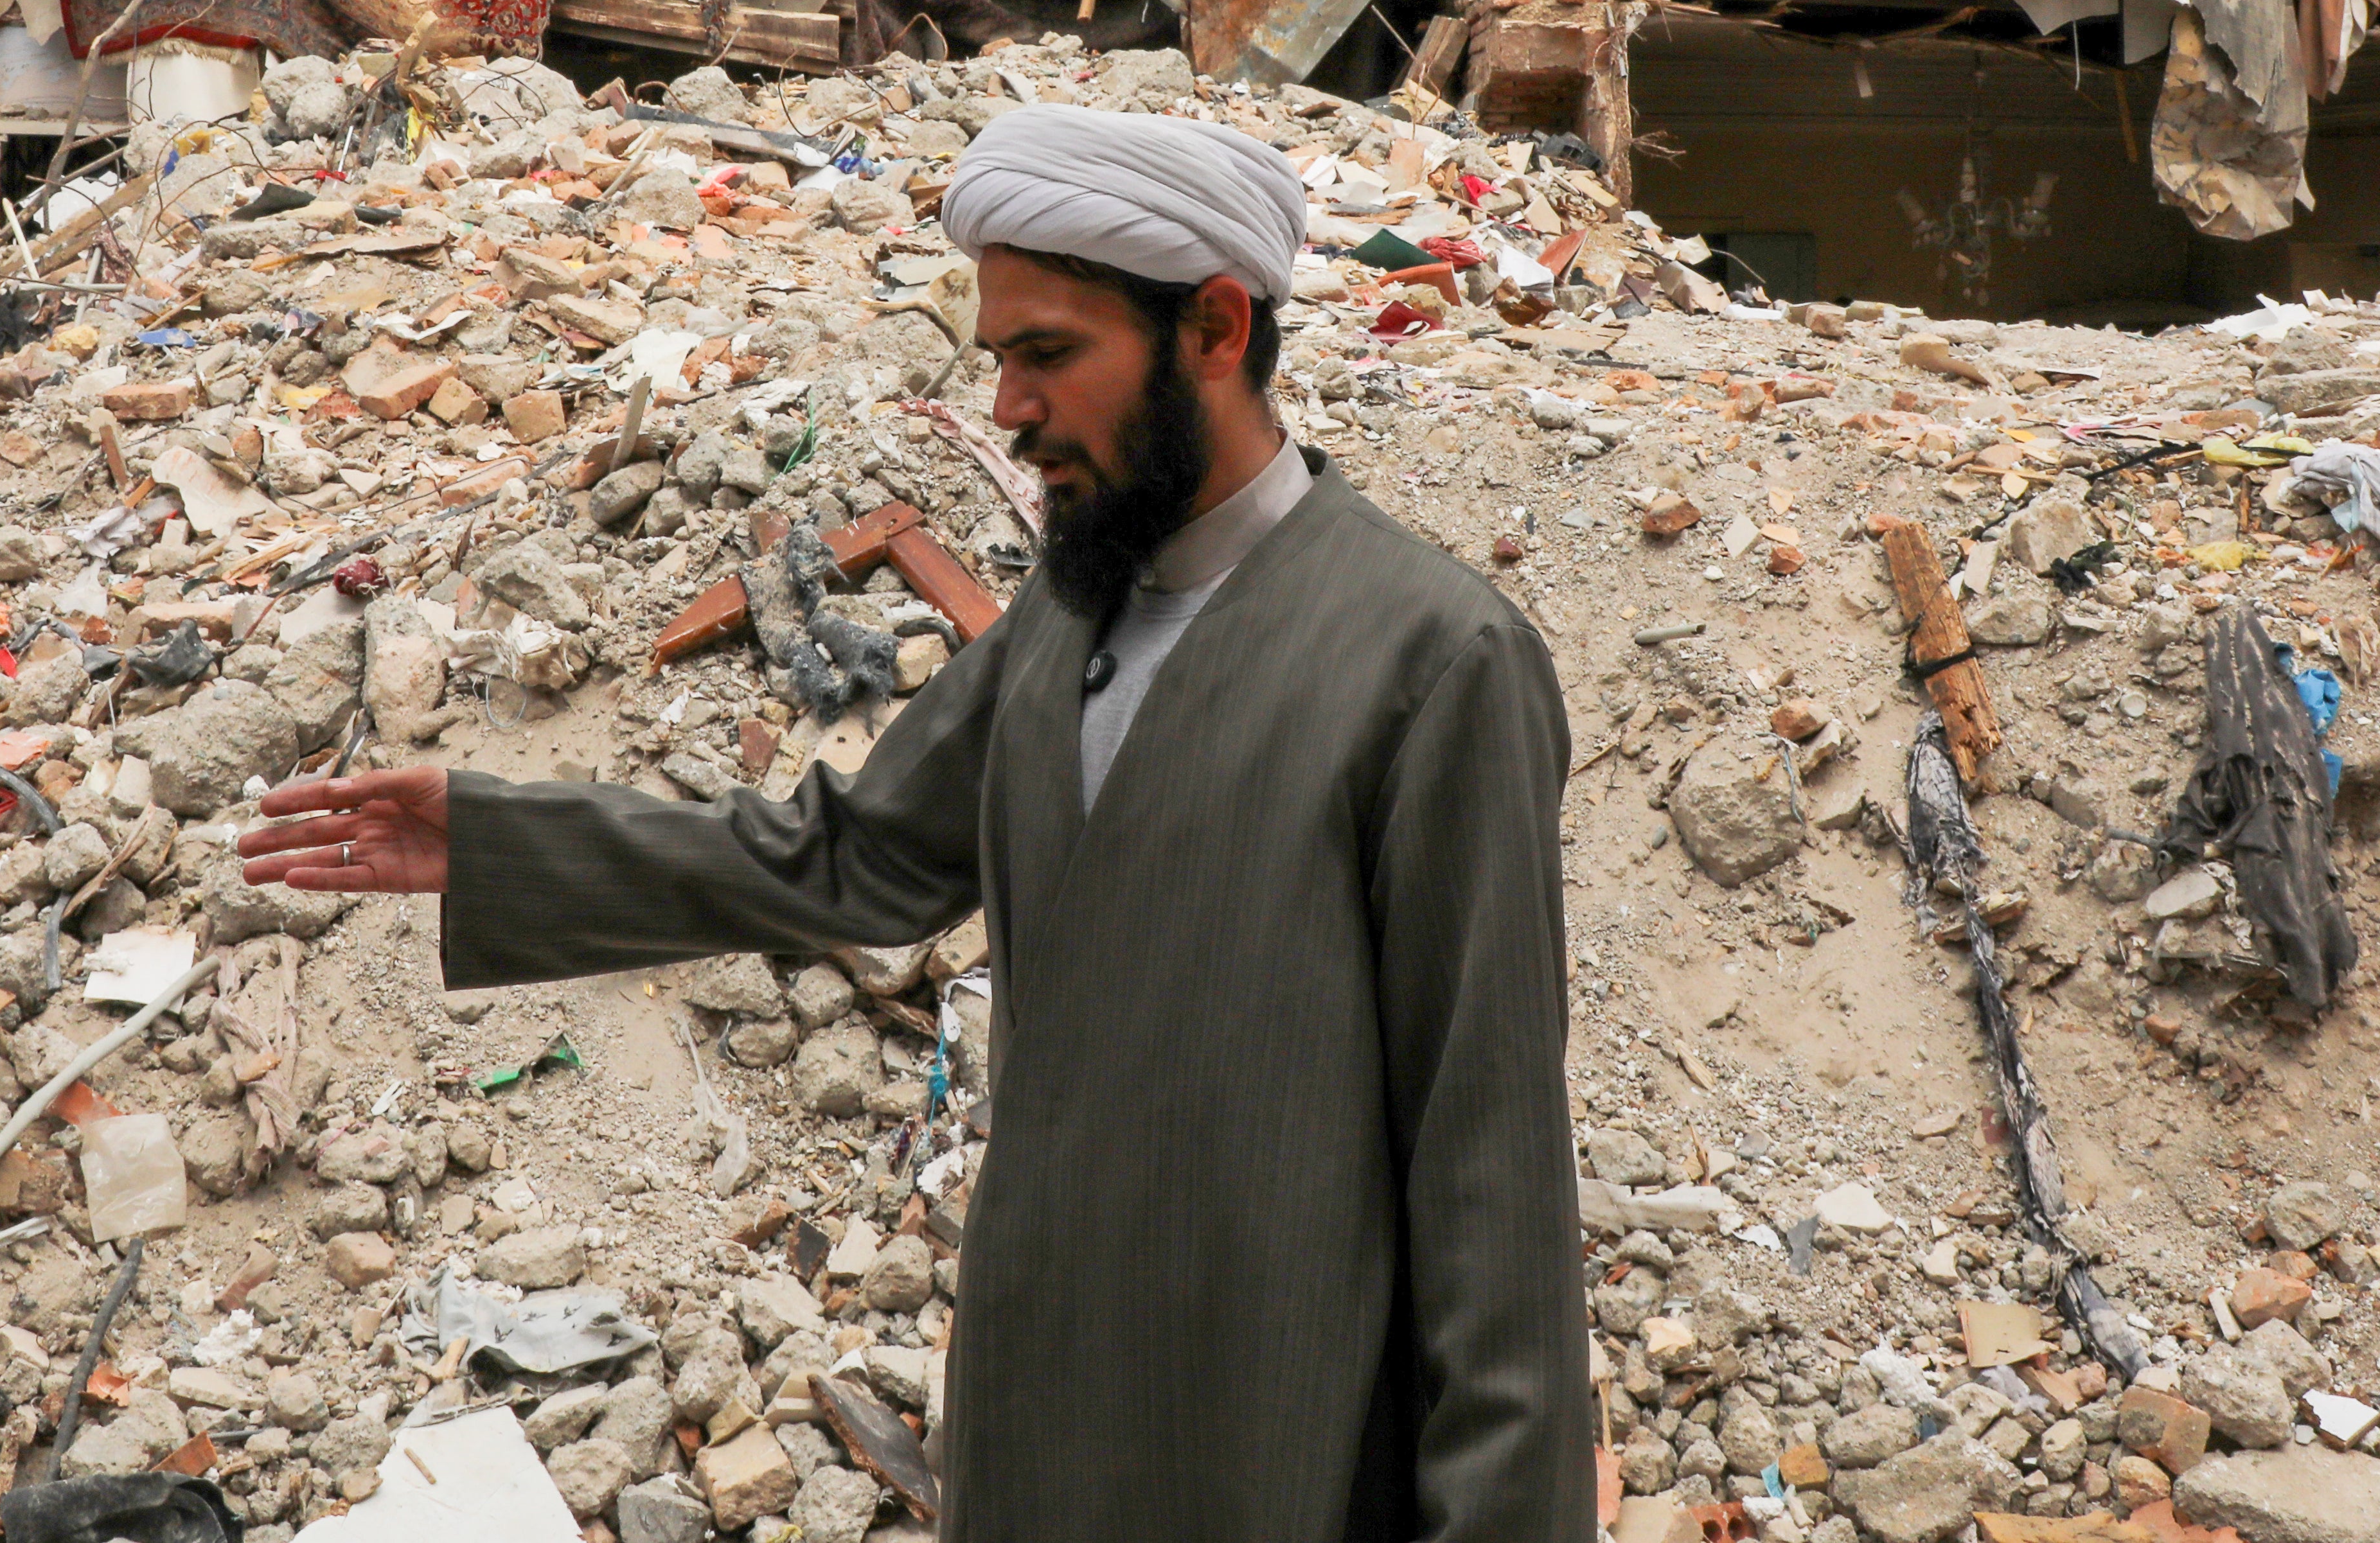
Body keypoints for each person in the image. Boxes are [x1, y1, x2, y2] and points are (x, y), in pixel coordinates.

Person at [244, 105, 1592, 1540]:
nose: (1006, 405)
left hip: (1279, 1430)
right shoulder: (1068, 615)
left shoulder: (1435, 663)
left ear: (1211, 326)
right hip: (1039, 1402)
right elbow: (854, 854)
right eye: (999, 356)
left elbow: (1488, 1178)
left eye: (1049, 353)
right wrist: (503, 838)